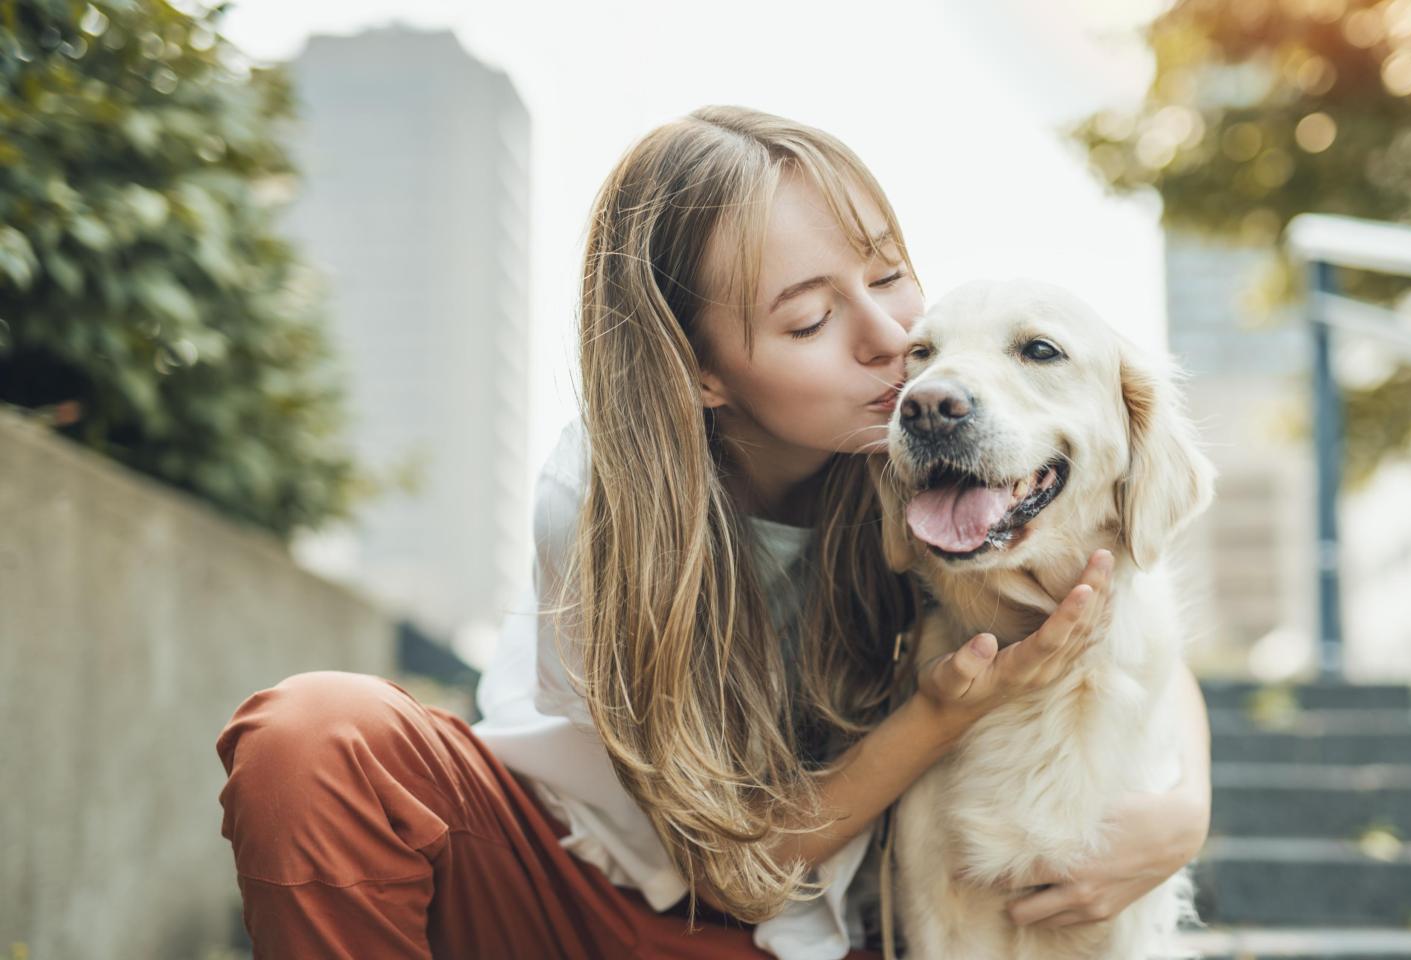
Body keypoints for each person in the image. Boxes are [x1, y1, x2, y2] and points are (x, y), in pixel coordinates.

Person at [215, 105, 1213, 960]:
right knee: (316, 735)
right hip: (563, 888)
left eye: (886, 276)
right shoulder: (602, 496)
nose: (887, 343)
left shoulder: (931, 453)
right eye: (809, 321)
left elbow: (1103, 603)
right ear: (700, 372)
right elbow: (734, 866)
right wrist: (938, 714)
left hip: (790, 937)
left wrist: (1185, 808)